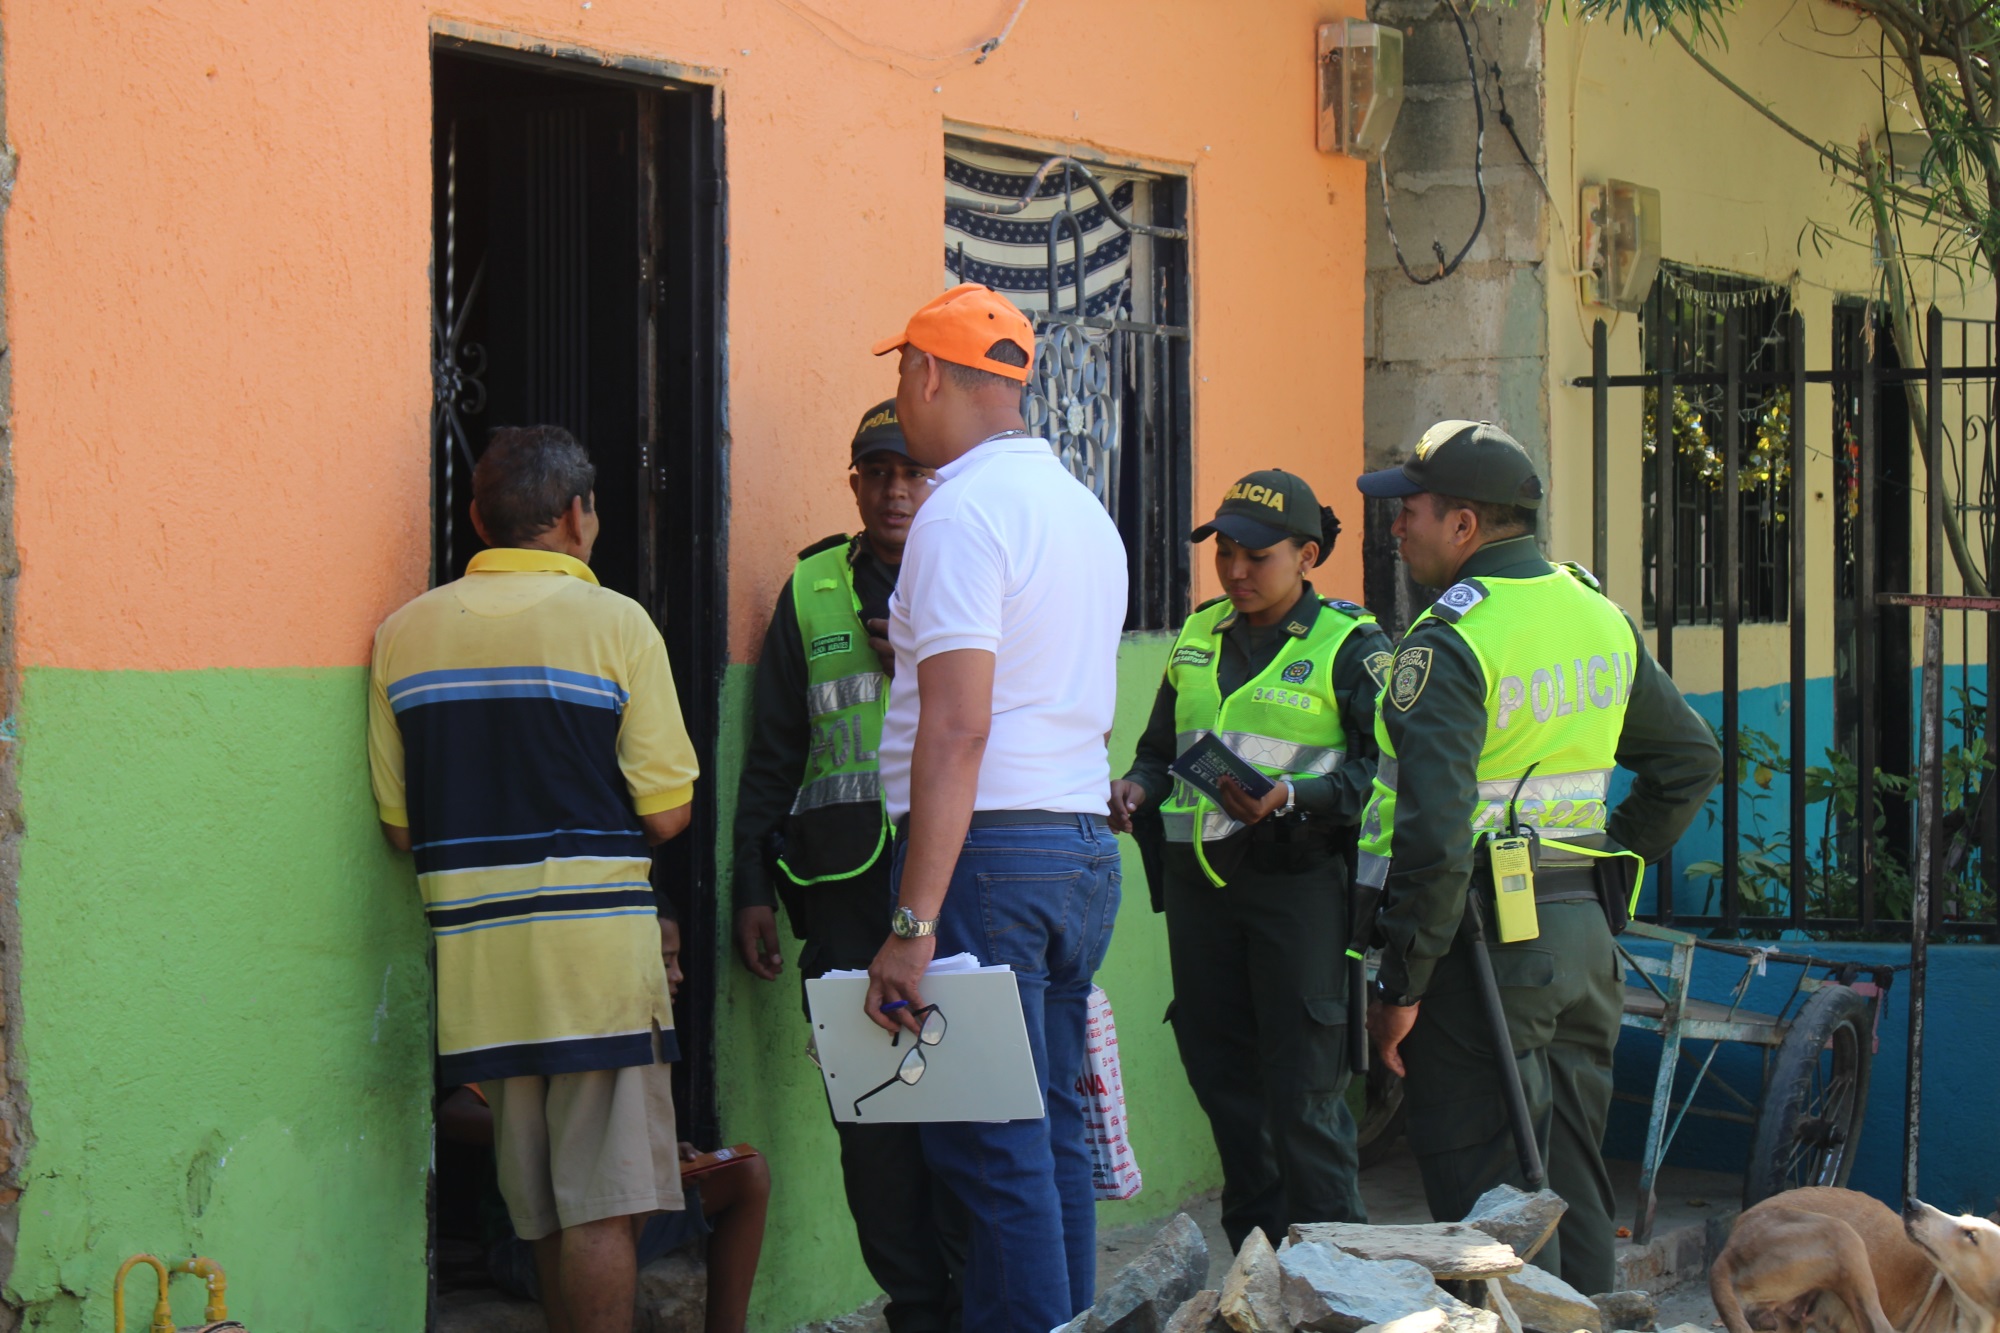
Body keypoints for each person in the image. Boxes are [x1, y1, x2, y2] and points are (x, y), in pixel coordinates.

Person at [1353, 420, 1721, 1296]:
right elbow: (1690, 759)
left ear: (1465, 525)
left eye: (1410, 510)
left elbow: (1436, 838)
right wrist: (1603, 867)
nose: (1396, 527)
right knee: (1572, 1182)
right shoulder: (1595, 613)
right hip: (1581, 943)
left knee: (1493, 1209)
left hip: (1482, 951)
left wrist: (1399, 987)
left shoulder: (1452, 639)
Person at [368, 425, 700, 1333]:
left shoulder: (403, 635)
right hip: (595, 965)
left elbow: (399, 828)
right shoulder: (618, 625)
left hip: (480, 963)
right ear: (577, 516)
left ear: (479, 521)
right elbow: (669, 812)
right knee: (604, 1207)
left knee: (544, 1209)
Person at [862, 283, 1127, 1332]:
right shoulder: (1080, 509)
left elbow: (958, 726)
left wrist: (911, 921)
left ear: (928, 373)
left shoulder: (961, 511)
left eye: (901, 373)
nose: (900, 396)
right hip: (1075, 850)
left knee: (988, 1144)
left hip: (989, 859)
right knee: (1047, 1132)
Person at [1109, 469, 1392, 1251]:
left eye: (1256, 556)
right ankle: (1256, 1275)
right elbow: (1160, 750)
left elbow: (1385, 772)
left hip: (1298, 889)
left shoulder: (1350, 645)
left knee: (1305, 1096)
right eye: (1224, 552)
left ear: (1307, 556)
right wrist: (1136, 786)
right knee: (1225, 1087)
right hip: (1201, 895)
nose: (1235, 571)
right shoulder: (1198, 634)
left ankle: (1338, 1276)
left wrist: (1297, 794)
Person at [730, 399, 965, 1330]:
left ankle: (974, 1295)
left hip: (957, 888)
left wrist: (917, 666)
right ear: (856, 483)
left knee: (964, 1105)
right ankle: (917, 1306)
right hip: (840, 894)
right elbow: (775, 753)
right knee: (872, 1124)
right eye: (879, 473)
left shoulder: (972, 566)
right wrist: (750, 883)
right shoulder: (813, 588)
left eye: (914, 472)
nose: (897, 490)